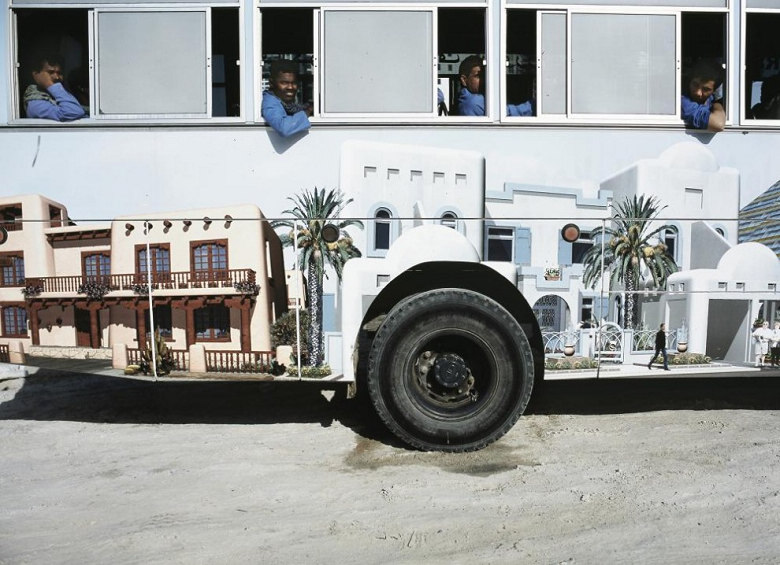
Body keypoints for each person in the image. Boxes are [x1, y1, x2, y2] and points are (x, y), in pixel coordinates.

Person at [455, 56, 534, 117]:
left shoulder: (466, 99)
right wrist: (533, 105)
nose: (484, 80)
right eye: (478, 76)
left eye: (484, 75)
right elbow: (506, 113)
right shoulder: (474, 102)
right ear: (464, 80)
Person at [23, 54, 86, 122]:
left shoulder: (57, 96)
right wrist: (50, 85)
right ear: (36, 75)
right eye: (51, 72)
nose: (57, 77)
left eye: (59, 73)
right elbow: (74, 111)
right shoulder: (35, 103)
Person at [261, 60, 311, 138]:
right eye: (284, 83)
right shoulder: (270, 102)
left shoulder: (286, 104)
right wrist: (307, 112)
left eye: (294, 83)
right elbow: (283, 128)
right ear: (271, 83)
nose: (290, 87)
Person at [680, 60, 725, 132]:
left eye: (706, 89)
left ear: (714, 90)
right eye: (695, 84)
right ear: (690, 81)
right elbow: (718, 124)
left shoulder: (711, 98)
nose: (698, 93)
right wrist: (717, 104)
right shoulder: (683, 101)